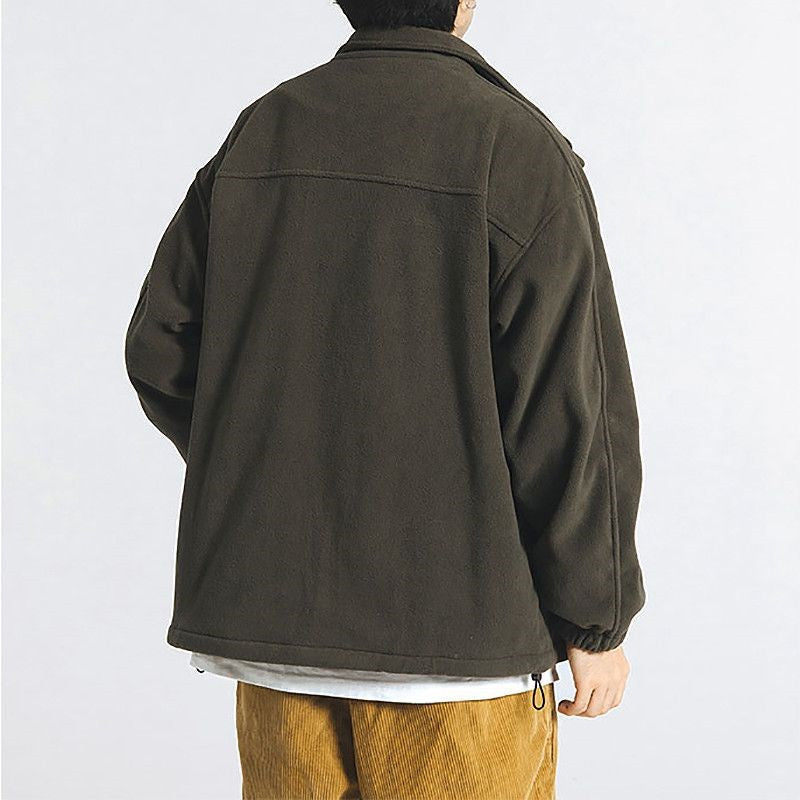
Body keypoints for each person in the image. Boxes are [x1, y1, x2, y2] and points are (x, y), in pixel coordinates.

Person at [124, 1, 646, 797]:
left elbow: (160, 345)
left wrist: (263, 466)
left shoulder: (266, 129)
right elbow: (571, 407)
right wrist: (595, 618)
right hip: (459, 656)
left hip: (277, 643)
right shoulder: (511, 144)